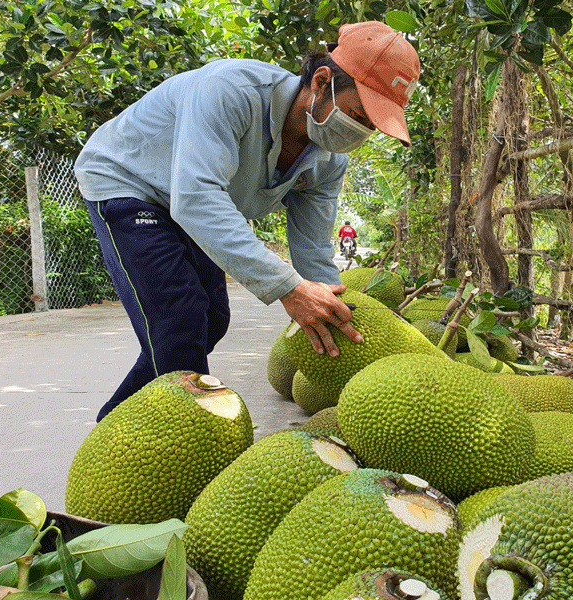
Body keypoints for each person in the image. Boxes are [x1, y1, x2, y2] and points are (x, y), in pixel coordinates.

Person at [74, 21, 420, 421]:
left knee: (212, 322)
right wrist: (289, 289)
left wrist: (332, 307)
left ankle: (118, 422)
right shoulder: (231, 91)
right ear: (322, 81)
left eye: (372, 127)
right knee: (179, 321)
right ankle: (163, 442)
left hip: (192, 205)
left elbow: (313, 246)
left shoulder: (327, 161)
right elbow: (197, 197)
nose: (361, 133)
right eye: (359, 115)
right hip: (129, 183)